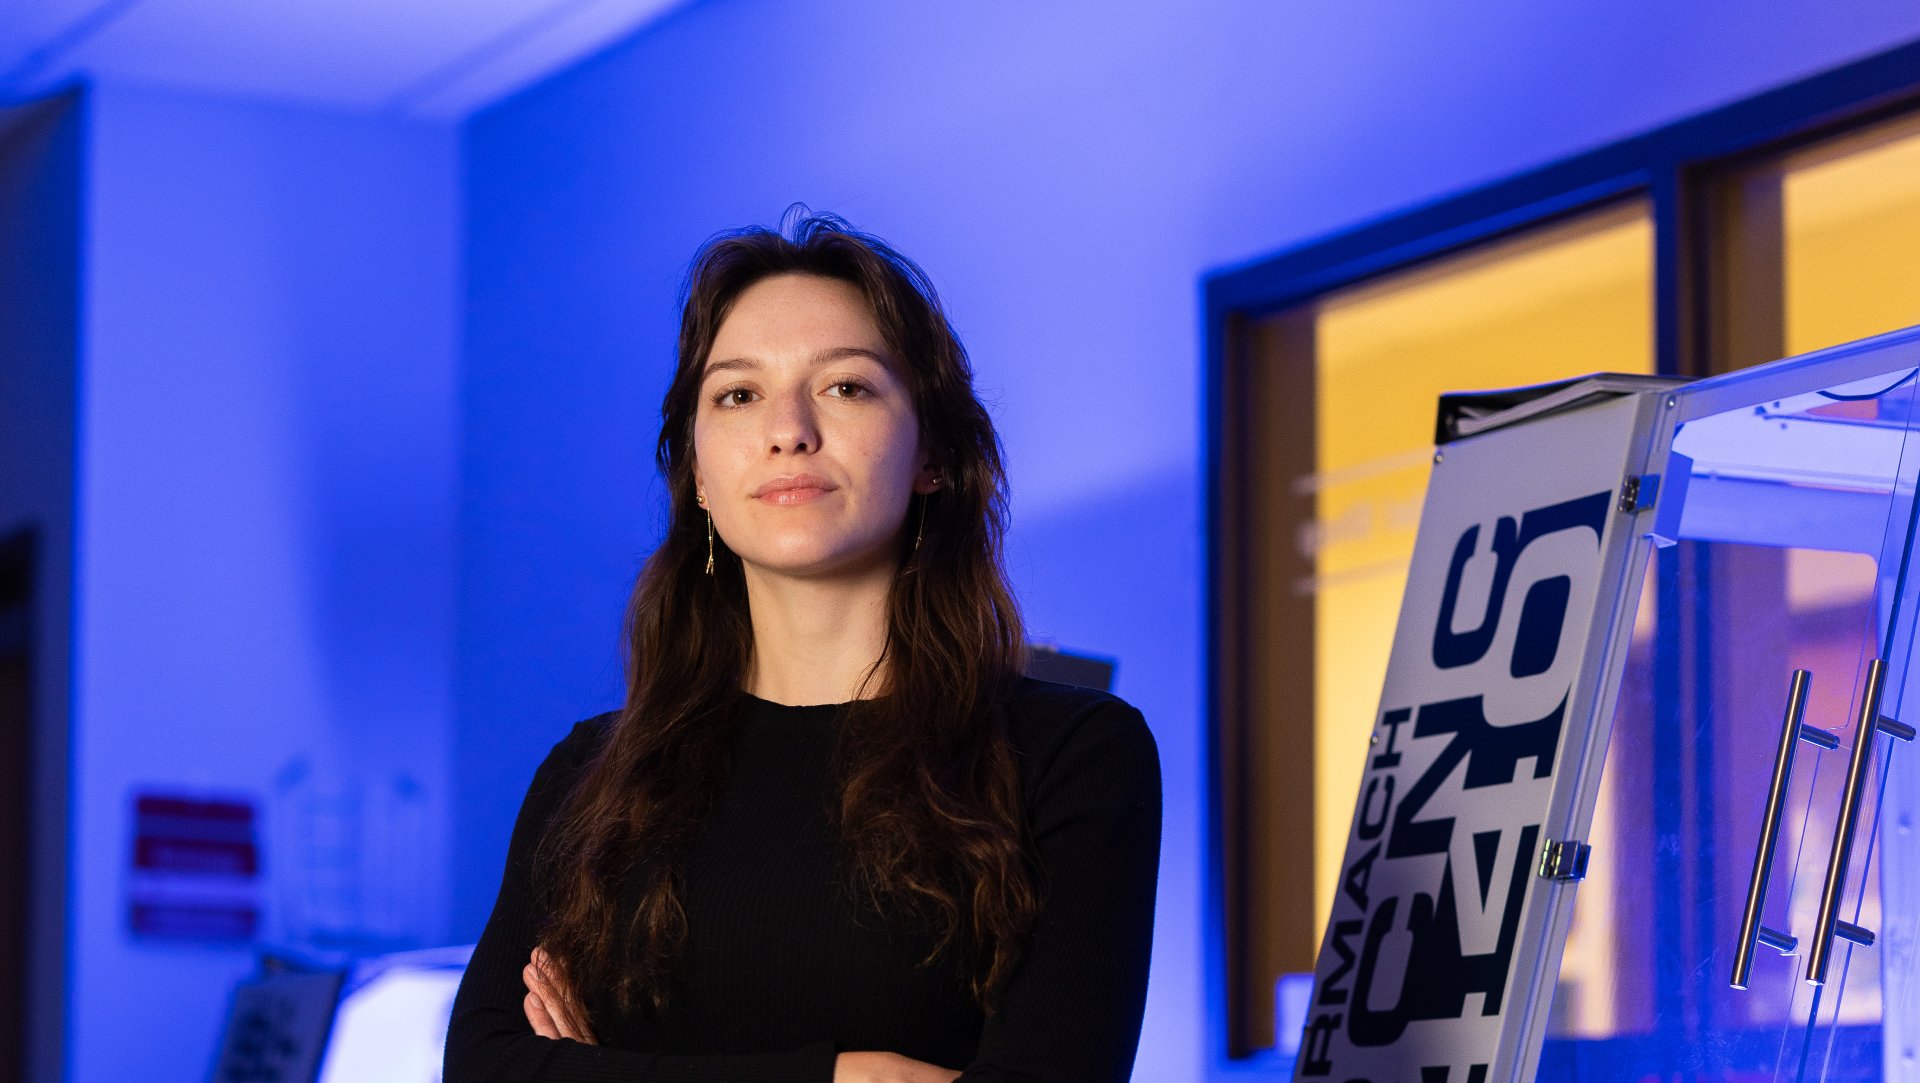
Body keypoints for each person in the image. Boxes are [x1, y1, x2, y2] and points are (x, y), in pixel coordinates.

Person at [443, 211, 1161, 1083]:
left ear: (932, 452)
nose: (788, 429)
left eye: (846, 386)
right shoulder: (589, 776)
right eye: (738, 394)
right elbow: (484, 1068)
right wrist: (851, 1077)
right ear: (698, 475)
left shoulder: (1071, 757)